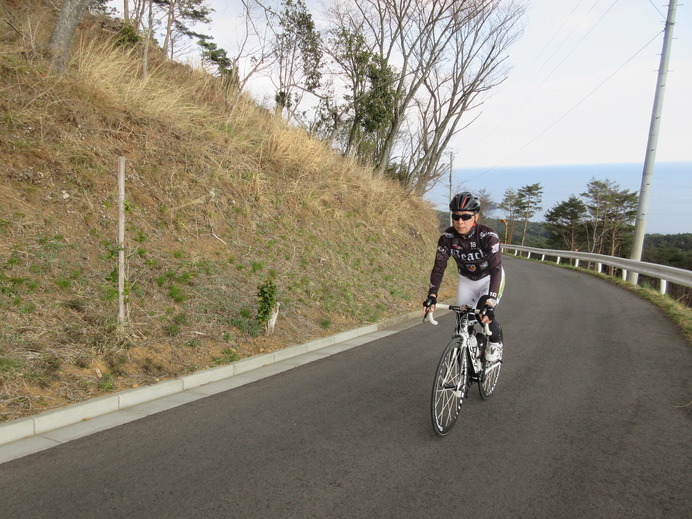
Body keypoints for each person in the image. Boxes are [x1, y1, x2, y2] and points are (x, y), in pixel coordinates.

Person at [423, 192, 505, 362]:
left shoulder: (488, 236)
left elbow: (496, 268)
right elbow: (439, 267)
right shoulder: (447, 238)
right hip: (466, 280)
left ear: (476, 217)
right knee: (462, 324)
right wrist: (432, 295)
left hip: (489, 278)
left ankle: (495, 343)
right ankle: (468, 359)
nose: (460, 221)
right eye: (456, 216)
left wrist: (490, 301)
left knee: (484, 315)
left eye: (466, 217)